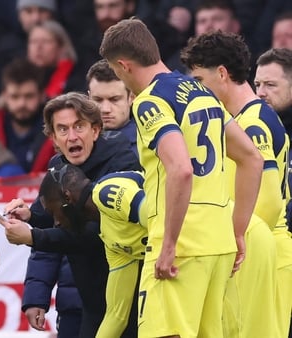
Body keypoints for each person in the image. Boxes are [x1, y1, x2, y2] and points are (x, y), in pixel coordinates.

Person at [99, 18, 264, 337]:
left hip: (181, 244)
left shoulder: (150, 100)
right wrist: (238, 231)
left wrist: (170, 244)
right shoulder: (202, 92)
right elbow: (251, 158)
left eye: (116, 72)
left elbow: (181, 168)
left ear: (123, 65)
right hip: (219, 243)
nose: (120, 78)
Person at [0, 92, 142, 337]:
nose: (72, 137)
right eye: (63, 130)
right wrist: (28, 216)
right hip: (90, 301)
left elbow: (94, 235)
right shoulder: (58, 165)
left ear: (95, 130)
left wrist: (33, 237)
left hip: (131, 299)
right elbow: (47, 213)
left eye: (79, 127)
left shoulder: (123, 163)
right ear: (54, 138)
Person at [181, 30, 282, 338]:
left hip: (255, 252)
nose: (197, 89)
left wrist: (236, 240)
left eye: (199, 79)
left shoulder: (253, 124)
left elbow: (269, 202)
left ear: (222, 73)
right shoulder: (244, 118)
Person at [33, 164, 147, 338]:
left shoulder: (107, 192)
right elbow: (116, 316)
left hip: (197, 245)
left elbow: (162, 217)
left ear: (67, 197)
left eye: (53, 212)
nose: (56, 222)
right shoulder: (109, 234)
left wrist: (166, 253)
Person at [254, 47, 292, 338]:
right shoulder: (254, 130)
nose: (261, 92)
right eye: (257, 84)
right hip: (269, 255)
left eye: (270, 85)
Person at [0, 58, 55, 173]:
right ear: (4, 96)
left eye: (29, 96)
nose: (22, 104)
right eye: (15, 96)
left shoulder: (56, 129)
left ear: (42, 95)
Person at [86, 59, 136, 153]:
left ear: (131, 98)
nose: (105, 109)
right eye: (98, 100)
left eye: (114, 99)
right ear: (89, 98)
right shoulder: (75, 143)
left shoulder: (149, 144)